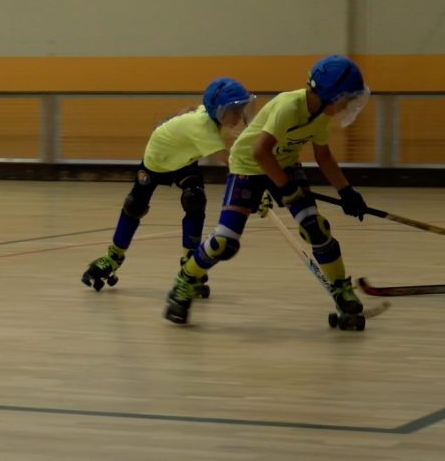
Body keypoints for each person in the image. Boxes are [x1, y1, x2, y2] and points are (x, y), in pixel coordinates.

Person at [163, 55, 371, 325]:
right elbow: (260, 152)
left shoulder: (321, 116)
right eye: (347, 99)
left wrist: (347, 192)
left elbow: (324, 157)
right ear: (333, 95)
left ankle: (342, 289)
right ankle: (185, 281)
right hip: (248, 165)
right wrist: (287, 188)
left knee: (316, 228)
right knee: (225, 241)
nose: (348, 106)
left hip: (284, 165)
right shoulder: (289, 106)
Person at [80, 77, 256, 291]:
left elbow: (194, 107)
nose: (239, 116)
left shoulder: (210, 116)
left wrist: (176, 118)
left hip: (183, 160)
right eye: (234, 111)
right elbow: (232, 163)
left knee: (194, 199)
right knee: (135, 205)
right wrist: (256, 187)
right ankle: (113, 257)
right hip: (158, 159)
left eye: (240, 110)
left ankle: (190, 262)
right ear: (217, 110)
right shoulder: (204, 129)